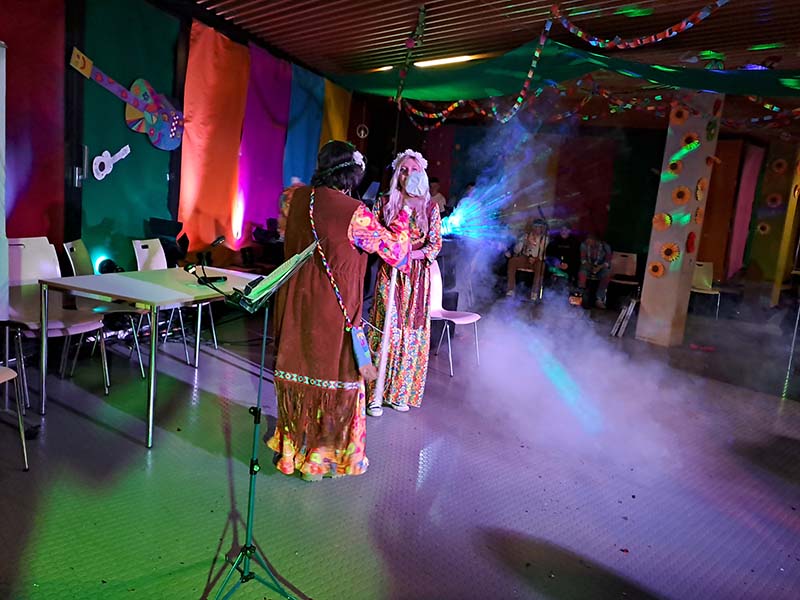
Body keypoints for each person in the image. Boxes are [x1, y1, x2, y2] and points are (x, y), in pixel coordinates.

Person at [267, 141, 412, 481]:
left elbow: (284, 232)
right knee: (334, 381)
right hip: (334, 313)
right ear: (352, 175)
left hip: (296, 305)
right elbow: (398, 253)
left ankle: (291, 453)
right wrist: (404, 214)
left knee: (299, 376)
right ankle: (319, 460)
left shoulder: (293, 198)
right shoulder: (355, 213)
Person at [367, 149, 442, 415]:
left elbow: (435, 245)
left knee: (410, 332)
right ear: (396, 174)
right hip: (390, 274)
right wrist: (392, 252)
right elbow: (372, 236)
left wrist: (411, 255)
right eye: (403, 170)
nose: (408, 175)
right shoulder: (384, 203)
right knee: (387, 327)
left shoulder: (431, 208)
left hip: (417, 279)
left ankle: (400, 391)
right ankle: (375, 393)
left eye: (414, 170)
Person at [505, 219, 548, 297]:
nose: (537, 229)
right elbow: (516, 250)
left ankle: (535, 292)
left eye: (539, 227)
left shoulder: (544, 239)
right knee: (512, 261)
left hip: (537, 260)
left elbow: (544, 253)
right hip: (525, 258)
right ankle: (511, 289)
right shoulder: (526, 236)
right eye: (535, 227)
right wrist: (523, 242)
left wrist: (535, 258)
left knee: (541, 266)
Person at [578, 232, 613, 309]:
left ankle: (599, 299)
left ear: (595, 240)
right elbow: (583, 260)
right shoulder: (583, 245)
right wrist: (591, 267)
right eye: (587, 239)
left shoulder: (606, 247)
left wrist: (599, 267)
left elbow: (608, 262)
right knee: (582, 271)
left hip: (600, 267)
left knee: (606, 274)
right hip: (588, 265)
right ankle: (580, 294)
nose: (588, 241)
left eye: (590, 239)